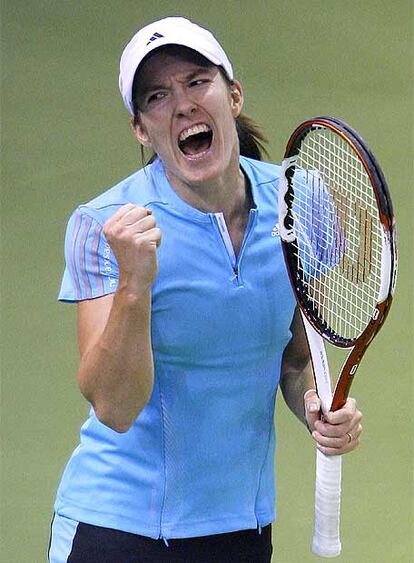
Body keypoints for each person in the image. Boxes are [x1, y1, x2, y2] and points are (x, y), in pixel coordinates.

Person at [48, 16, 362, 563]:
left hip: (241, 532)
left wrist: (314, 400)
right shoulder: (103, 224)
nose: (184, 104)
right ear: (142, 130)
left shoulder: (298, 202)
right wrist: (133, 286)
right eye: (158, 96)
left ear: (233, 95)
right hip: (118, 531)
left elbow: (293, 358)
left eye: (197, 82)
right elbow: (115, 408)